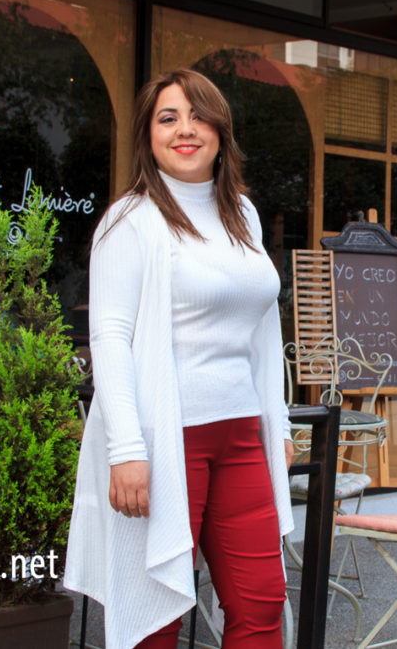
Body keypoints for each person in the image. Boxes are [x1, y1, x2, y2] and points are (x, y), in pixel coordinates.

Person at [64, 69, 295, 649]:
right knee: (154, 615)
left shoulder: (243, 214)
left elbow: (264, 324)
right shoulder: (129, 220)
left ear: (221, 132)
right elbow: (110, 336)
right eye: (168, 118)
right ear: (148, 136)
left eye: (199, 116)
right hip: (165, 441)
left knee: (262, 601)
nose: (185, 130)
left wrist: (280, 423)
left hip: (242, 434)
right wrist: (126, 451)